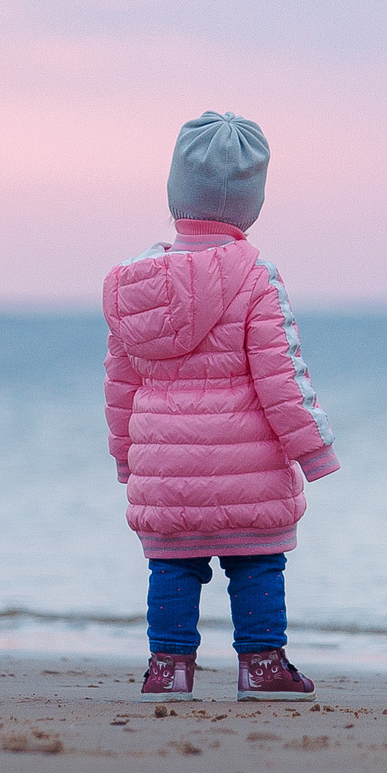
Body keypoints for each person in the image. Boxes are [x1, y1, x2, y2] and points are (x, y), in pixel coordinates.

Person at [102, 111, 340, 702]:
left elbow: (119, 386)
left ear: (175, 192)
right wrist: (313, 449)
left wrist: (127, 461)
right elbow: (281, 373)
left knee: (172, 566)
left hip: (163, 466)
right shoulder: (256, 276)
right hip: (248, 468)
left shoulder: (137, 283)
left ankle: (168, 668)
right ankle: (261, 663)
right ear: (251, 203)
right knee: (257, 563)